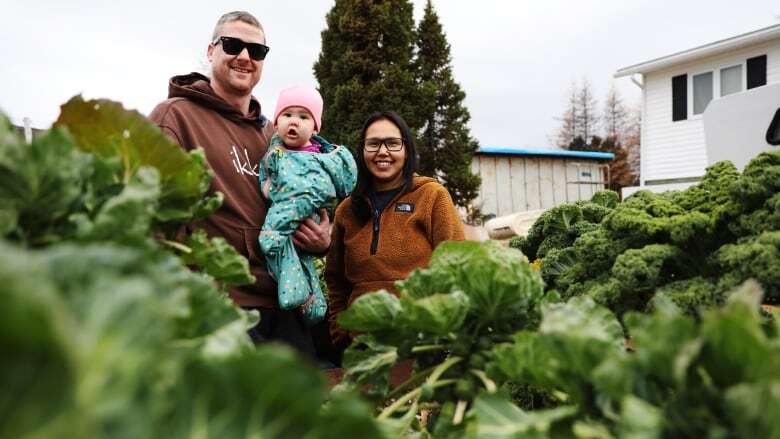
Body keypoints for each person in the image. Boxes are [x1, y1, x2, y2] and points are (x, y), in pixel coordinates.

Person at [148, 11, 330, 357]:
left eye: (256, 51)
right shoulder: (174, 117)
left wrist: (321, 240)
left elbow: (298, 207)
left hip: (283, 305)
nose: (245, 57)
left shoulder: (273, 135)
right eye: (233, 45)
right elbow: (152, 219)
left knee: (297, 408)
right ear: (211, 50)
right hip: (218, 308)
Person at [324, 111, 465, 353]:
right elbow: (335, 280)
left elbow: (459, 267)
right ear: (362, 151)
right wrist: (340, 330)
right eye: (373, 144)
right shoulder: (347, 209)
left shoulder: (431, 197)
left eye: (392, 143)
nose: (382, 152)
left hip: (422, 345)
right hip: (362, 347)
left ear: (407, 150)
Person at [259, 85, 357, 326]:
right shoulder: (275, 152)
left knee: (272, 242)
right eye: (287, 115)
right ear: (277, 121)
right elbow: (266, 179)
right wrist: (270, 189)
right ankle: (312, 302)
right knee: (297, 260)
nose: (294, 122)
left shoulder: (318, 157)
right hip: (289, 212)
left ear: (315, 128)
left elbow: (327, 186)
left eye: (304, 117)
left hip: (301, 211)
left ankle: (295, 293)